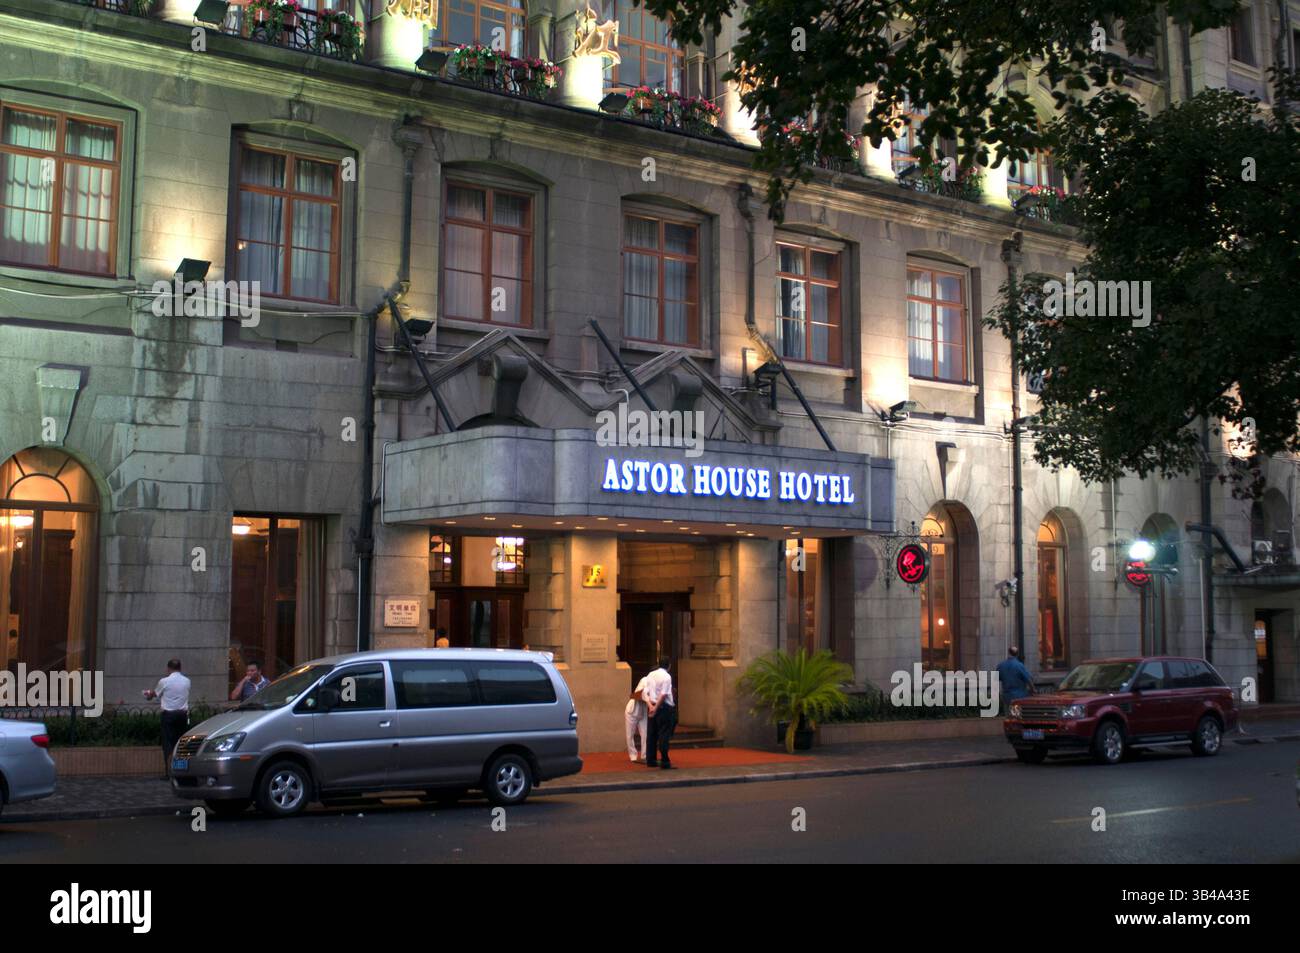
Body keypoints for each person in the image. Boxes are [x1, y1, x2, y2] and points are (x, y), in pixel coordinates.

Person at [142, 658, 191, 781]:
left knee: (168, 744)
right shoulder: (187, 681)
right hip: (182, 715)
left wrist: (148, 694)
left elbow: (154, 694)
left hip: (168, 716)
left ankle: (169, 773)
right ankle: (180, 771)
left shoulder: (164, 681)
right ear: (180, 668)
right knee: (180, 744)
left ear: (169, 668)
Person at [643, 657, 677, 769]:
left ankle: (651, 760)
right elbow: (664, 694)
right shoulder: (667, 677)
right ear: (669, 666)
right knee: (664, 734)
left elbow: (644, 693)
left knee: (652, 734)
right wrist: (656, 708)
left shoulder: (651, 675)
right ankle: (665, 760)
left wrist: (650, 707)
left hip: (652, 705)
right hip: (664, 708)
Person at [996, 646, 1035, 713]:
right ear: (1017, 654)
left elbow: (996, 678)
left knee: (1008, 716)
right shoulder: (1019, 665)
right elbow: (1029, 679)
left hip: (1006, 696)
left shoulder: (1000, 665)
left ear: (1009, 652)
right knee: (1016, 717)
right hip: (1018, 696)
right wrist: (1033, 689)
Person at [624, 675, 650, 763]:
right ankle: (633, 755)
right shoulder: (645, 679)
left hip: (643, 712)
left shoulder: (655, 682)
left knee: (645, 734)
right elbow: (640, 693)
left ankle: (644, 755)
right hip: (632, 711)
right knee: (630, 735)